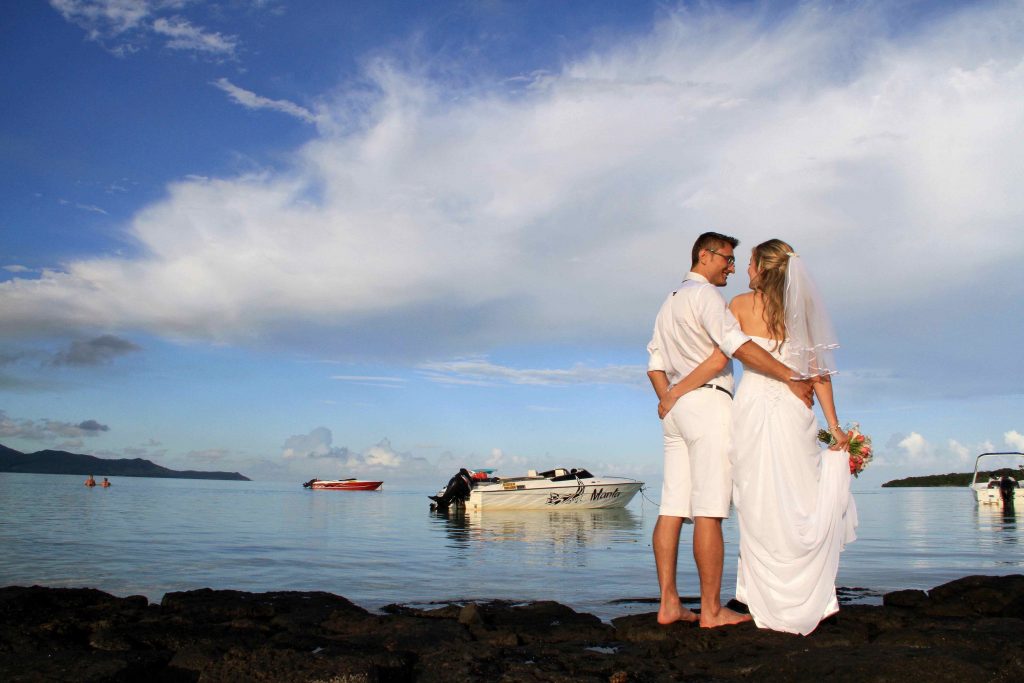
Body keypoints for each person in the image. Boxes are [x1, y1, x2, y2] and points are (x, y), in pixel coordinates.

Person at [646, 232, 815, 628]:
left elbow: (654, 361)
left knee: (672, 506)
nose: (733, 267)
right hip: (707, 405)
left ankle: (669, 603)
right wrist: (789, 374)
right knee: (710, 510)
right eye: (727, 258)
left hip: (676, 409)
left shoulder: (669, 301)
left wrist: (667, 398)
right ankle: (711, 610)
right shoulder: (706, 298)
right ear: (705, 256)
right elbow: (736, 345)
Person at [726, 238, 858, 635]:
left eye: (750, 264)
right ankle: (817, 593)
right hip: (795, 407)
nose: (746, 271)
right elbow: (819, 375)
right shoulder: (805, 312)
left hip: (752, 405)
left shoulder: (738, 306)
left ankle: (750, 593)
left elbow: (732, 352)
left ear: (763, 269)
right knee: (799, 497)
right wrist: (834, 428)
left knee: (755, 496)